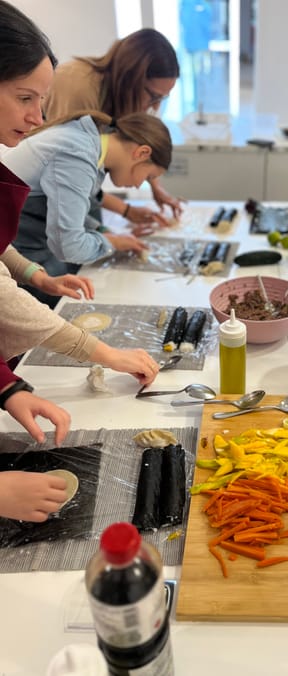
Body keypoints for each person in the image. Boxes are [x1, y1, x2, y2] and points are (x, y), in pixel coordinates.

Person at [0, 0, 160, 522]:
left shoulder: (86, 141)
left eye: (41, 100)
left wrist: (7, 387)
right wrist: (103, 354)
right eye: (25, 98)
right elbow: (10, 300)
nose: (38, 118)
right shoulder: (76, 144)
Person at [3, 110, 173, 302]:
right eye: (148, 177)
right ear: (142, 153)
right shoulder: (78, 155)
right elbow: (69, 247)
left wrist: (103, 231)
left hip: (27, 243)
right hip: (19, 251)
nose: (138, 185)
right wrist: (112, 243)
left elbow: (64, 207)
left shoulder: (87, 142)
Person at [43, 28, 183, 226]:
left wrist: (155, 186)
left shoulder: (129, 96)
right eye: (153, 96)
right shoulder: (78, 86)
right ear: (130, 78)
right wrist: (123, 214)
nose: (155, 106)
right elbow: (66, 178)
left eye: (162, 98)